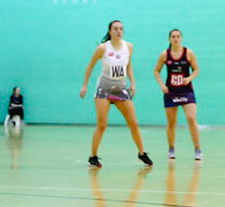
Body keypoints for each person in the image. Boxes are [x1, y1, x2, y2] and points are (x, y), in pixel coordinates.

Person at [79, 20, 152, 169]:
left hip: (121, 89)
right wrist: (85, 86)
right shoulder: (102, 48)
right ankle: (93, 156)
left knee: (133, 122)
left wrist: (133, 83)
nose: (119, 31)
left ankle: (142, 152)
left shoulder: (129, 47)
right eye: (116, 29)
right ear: (110, 31)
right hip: (104, 89)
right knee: (102, 124)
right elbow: (90, 66)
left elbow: (129, 65)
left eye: (121, 29)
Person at [156, 29, 201, 162]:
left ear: (181, 38)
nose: (176, 39)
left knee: (191, 118)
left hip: (186, 90)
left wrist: (189, 78)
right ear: (170, 39)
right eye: (173, 37)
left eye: (178, 36)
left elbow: (196, 69)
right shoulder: (165, 54)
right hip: (171, 92)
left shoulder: (188, 53)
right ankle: (171, 148)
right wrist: (162, 85)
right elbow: (156, 71)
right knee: (171, 122)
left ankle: (198, 149)